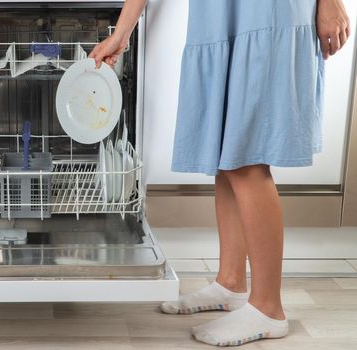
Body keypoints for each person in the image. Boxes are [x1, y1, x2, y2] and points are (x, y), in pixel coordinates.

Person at [89, 0, 350, 346]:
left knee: (247, 158)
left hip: (266, 13)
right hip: (219, 14)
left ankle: (268, 309)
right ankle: (231, 284)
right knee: (228, 154)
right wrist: (121, 33)